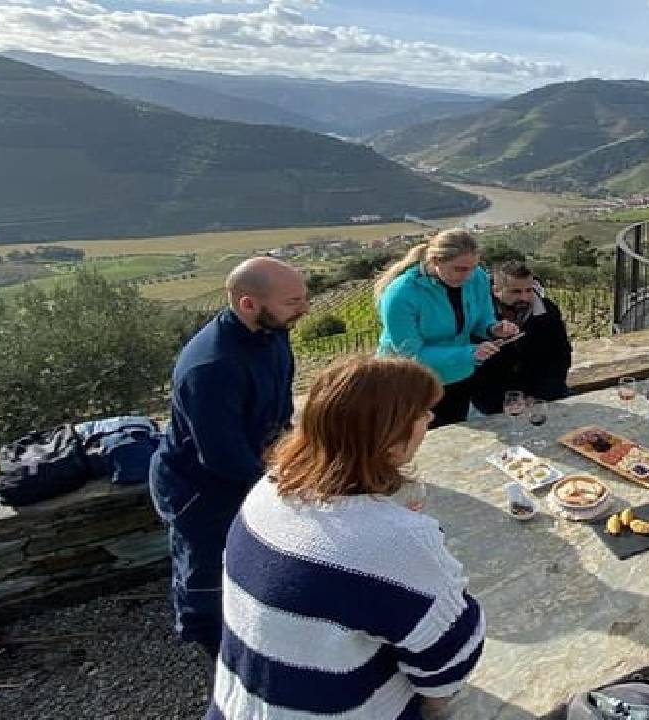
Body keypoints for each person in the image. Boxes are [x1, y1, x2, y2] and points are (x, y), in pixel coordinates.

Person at [206, 355, 485, 719]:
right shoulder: (396, 540)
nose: (431, 419)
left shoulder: (269, 489)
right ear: (389, 438)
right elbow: (448, 661)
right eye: (422, 413)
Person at [148, 256, 308, 659]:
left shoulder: (272, 331)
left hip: (249, 465)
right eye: (292, 302)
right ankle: (218, 655)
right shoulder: (212, 367)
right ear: (248, 304)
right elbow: (223, 457)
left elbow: (279, 403)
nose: (303, 310)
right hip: (200, 490)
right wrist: (286, 484)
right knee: (208, 575)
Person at [375, 229, 519, 427]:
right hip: (411, 384)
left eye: (473, 267)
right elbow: (409, 355)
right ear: (435, 261)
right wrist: (468, 353)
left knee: (454, 432)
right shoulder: (401, 295)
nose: (468, 276)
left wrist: (493, 328)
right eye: (460, 269)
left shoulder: (476, 277)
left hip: (457, 375)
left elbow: (483, 317)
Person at [471, 260, 573, 415]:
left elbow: (561, 356)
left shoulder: (547, 311)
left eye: (529, 290)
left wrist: (538, 396)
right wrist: (509, 400)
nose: (524, 297)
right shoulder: (479, 316)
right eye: (516, 292)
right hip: (493, 402)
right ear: (497, 290)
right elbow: (477, 369)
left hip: (543, 394)